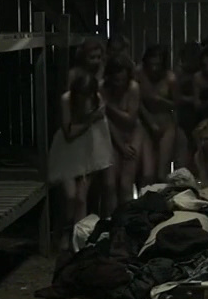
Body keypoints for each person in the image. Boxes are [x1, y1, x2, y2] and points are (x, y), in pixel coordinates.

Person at [48, 71, 110, 231]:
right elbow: (69, 133)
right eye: (81, 94)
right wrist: (91, 119)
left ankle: (78, 237)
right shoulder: (67, 99)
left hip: (88, 150)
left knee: (81, 199)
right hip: (67, 151)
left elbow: (100, 131)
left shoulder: (97, 99)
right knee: (70, 196)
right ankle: (64, 232)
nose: (84, 98)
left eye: (87, 94)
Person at [100, 56, 144, 214]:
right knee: (109, 184)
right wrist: (120, 145)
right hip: (109, 133)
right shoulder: (102, 88)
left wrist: (108, 107)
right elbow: (104, 120)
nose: (119, 84)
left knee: (126, 183)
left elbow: (130, 119)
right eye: (116, 80)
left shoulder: (133, 87)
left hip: (132, 133)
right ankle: (111, 221)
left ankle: (127, 221)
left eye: (122, 80)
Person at [135, 44, 178, 184]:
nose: (154, 68)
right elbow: (137, 102)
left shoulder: (170, 79)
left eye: (158, 65)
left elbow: (177, 104)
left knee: (162, 172)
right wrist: (149, 121)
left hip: (166, 124)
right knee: (147, 173)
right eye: (151, 64)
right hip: (145, 123)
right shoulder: (139, 74)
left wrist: (160, 101)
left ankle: (162, 196)